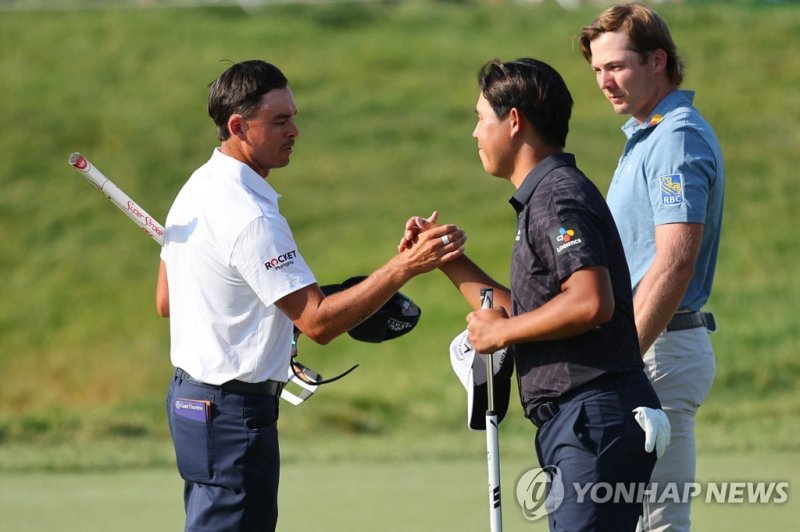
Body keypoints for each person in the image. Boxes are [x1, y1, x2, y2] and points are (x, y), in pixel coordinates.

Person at [155, 59, 465, 532]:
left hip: (192, 406)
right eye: (280, 121)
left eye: (293, 116)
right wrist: (406, 267)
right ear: (238, 126)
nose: (295, 130)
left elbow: (167, 299)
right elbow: (317, 323)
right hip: (234, 415)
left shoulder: (198, 185)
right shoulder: (251, 216)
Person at [400, 57, 663, 531]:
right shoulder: (544, 197)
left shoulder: (557, 196)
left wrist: (502, 334)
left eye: (481, 118)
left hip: (592, 416)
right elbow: (532, 314)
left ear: (514, 120)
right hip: (581, 421)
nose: (475, 134)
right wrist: (445, 258)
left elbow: (589, 302)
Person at [578, 4, 725, 530]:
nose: (604, 81)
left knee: (657, 525)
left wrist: (622, 361)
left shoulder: (675, 139)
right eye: (597, 70)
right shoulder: (651, 134)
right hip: (650, 346)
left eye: (616, 66)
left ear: (657, 60)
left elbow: (675, 263)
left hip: (656, 350)